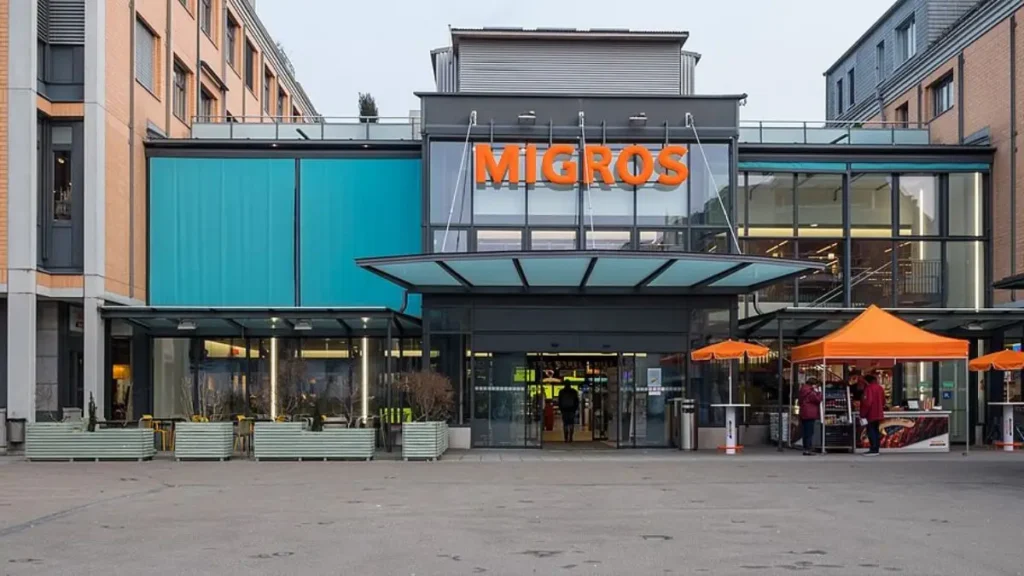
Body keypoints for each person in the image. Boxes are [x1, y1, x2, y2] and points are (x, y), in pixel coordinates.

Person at [859, 374, 885, 456]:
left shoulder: (868, 389)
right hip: (878, 413)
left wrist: (862, 414)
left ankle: (873, 449)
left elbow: (867, 403)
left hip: (871, 413)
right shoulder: (880, 388)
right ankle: (876, 448)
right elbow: (883, 401)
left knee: (871, 431)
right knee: (876, 430)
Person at [797, 378, 823, 455]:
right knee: (809, 432)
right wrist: (819, 392)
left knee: (805, 432)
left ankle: (805, 448)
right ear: (813, 384)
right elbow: (818, 399)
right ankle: (808, 449)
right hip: (810, 413)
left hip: (803, 413)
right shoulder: (811, 392)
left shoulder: (803, 390)